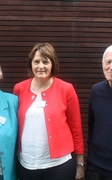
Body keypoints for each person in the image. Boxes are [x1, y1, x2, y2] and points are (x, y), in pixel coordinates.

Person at [13, 43, 84, 180]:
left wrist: (80, 163)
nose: (41, 66)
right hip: (27, 164)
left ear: (53, 64)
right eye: (36, 62)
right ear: (31, 64)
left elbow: (76, 129)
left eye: (46, 62)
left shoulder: (66, 89)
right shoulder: (19, 89)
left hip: (59, 165)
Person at [86, 45, 112, 180]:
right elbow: (92, 127)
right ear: (102, 64)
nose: (111, 67)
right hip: (96, 169)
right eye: (108, 62)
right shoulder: (96, 91)